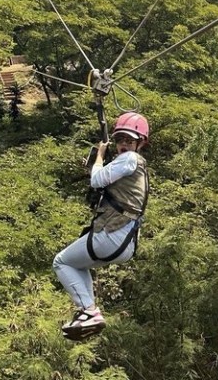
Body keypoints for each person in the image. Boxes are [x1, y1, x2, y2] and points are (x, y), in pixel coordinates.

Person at [53, 112, 150, 341]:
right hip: (124, 242)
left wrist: (99, 157)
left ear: (140, 143)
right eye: (120, 140)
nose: (123, 145)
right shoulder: (135, 167)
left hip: (112, 235)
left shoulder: (130, 160)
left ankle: (88, 311)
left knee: (61, 262)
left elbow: (97, 180)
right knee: (78, 265)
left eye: (129, 140)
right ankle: (89, 311)